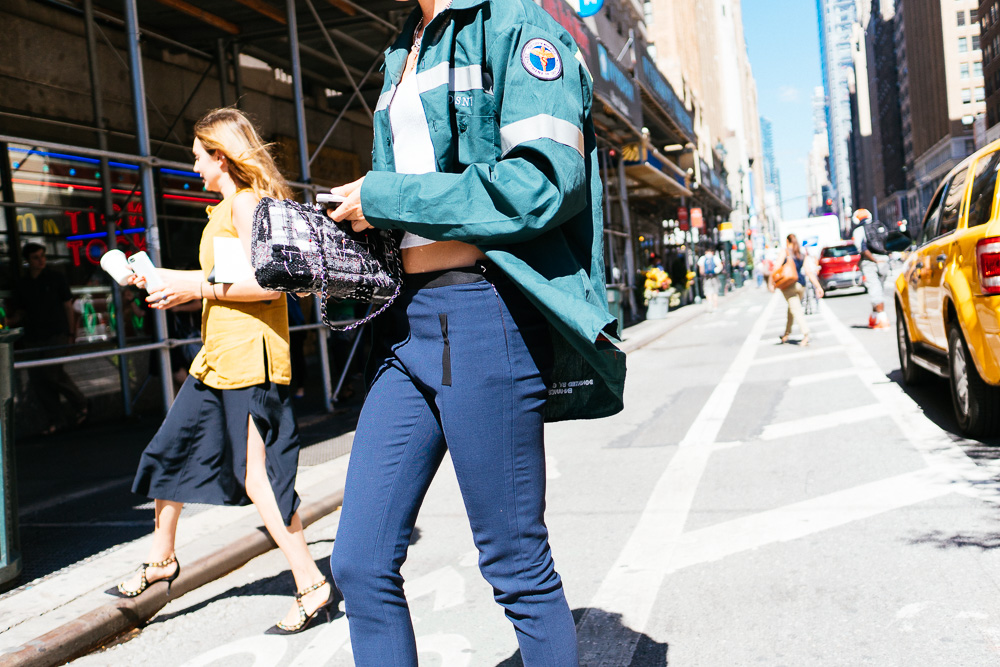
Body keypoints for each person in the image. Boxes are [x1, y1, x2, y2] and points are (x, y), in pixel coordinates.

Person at [325, 0, 627, 663]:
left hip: (482, 315)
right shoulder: (405, 46)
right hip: (408, 323)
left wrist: (385, 196)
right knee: (358, 561)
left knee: (515, 563)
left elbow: (544, 181)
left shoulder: (517, 24)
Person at [116, 108, 334, 634]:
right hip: (217, 358)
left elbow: (271, 285)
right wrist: (158, 279)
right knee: (170, 452)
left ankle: (310, 584)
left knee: (259, 477)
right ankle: (163, 560)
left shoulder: (246, 203)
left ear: (220, 156)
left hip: (250, 360)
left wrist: (195, 289)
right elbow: (218, 281)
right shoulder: (226, 207)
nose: (193, 166)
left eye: (197, 157)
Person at [9, 243, 87, 433]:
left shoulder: (55, 278)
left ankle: (81, 405)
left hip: (56, 333)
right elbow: (20, 312)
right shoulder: (23, 284)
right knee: (38, 379)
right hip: (34, 335)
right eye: (36, 257)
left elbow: (68, 306)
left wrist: (70, 333)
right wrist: (8, 322)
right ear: (28, 260)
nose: (41, 260)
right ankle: (57, 419)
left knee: (52, 373)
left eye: (43, 256)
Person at [771, 233, 824, 345]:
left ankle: (806, 334)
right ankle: (786, 334)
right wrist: (818, 286)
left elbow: (776, 268)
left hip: (789, 285)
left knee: (796, 310)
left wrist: (772, 283)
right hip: (801, 285)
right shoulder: (801, 254)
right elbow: (809, 272)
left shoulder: (785, 252)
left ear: (787, 241)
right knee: (792, 309)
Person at [850, 208, 891, 329]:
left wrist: (874, 260)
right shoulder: (879, 226)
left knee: (875, 290)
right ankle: (873, 318)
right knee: (879, 289)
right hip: (884, 261)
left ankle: (882, 319)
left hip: (870, 262)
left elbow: (862, 249)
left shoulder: (858, 231)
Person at [698, 247, 721, 312]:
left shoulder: (702, 258)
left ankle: (710, 304)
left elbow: (701, 271)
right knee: (715, 292)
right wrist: (715, 271)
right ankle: (715, 306)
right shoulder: (715, 258)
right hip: (714, 277)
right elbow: (720, 266)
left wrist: (704, 274)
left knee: (708, 291)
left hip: (706, 278)